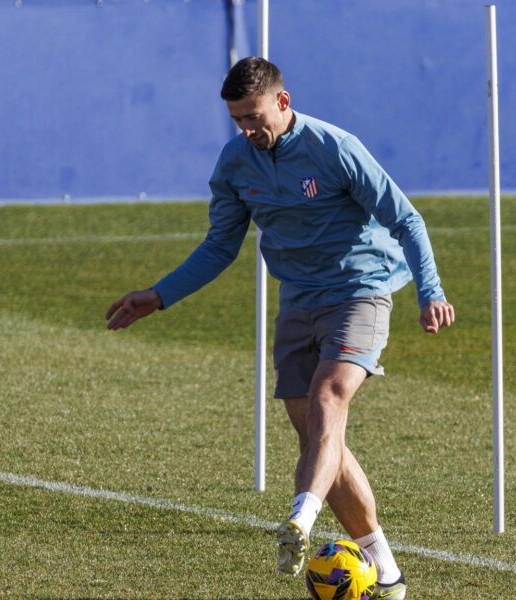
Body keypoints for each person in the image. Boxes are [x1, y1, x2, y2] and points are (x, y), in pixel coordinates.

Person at [105, 57, 453, 599]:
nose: (246, 129)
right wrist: (160, 295)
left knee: (328, 400)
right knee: (318, 437)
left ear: (283, 103)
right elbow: (221, 245)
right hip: (297, 304)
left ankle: (300, 520)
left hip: (359, 292)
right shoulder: (234, 164)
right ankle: (386, 572)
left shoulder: (335, 148)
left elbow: (406, 219)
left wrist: (431, 291)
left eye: (253, 116)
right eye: (237, 120)